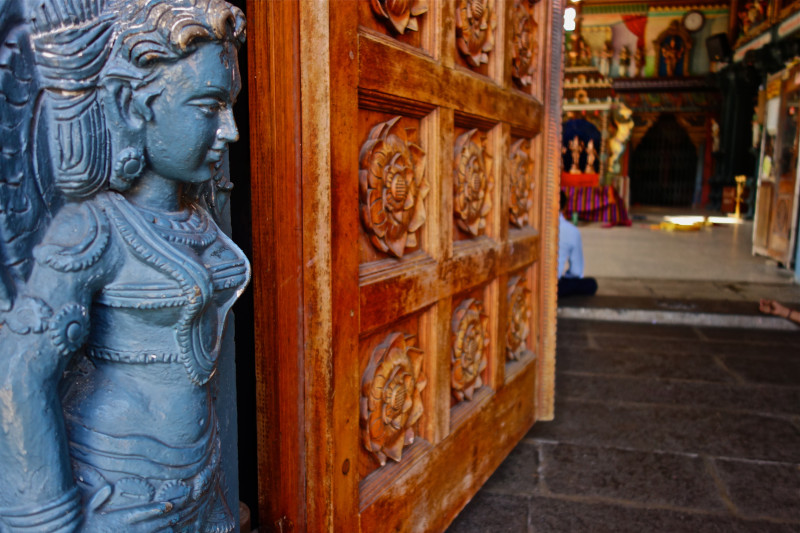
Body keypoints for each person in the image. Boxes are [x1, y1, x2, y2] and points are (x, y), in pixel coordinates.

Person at [0, 1, 249, 531]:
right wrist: (49, 520)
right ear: (132, 106)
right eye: (208, 107)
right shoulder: (92, 230)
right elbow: (19, 374)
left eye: (229, 107)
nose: (230, 131)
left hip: (204, 473)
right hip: (121, 487)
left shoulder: (198, 216)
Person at [558, 191, 598, 297]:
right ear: (564, 208)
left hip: (527, 281)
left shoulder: (529, 226)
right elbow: (576, 272)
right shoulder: (572, 231)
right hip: (554, 286)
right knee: (591, 284)